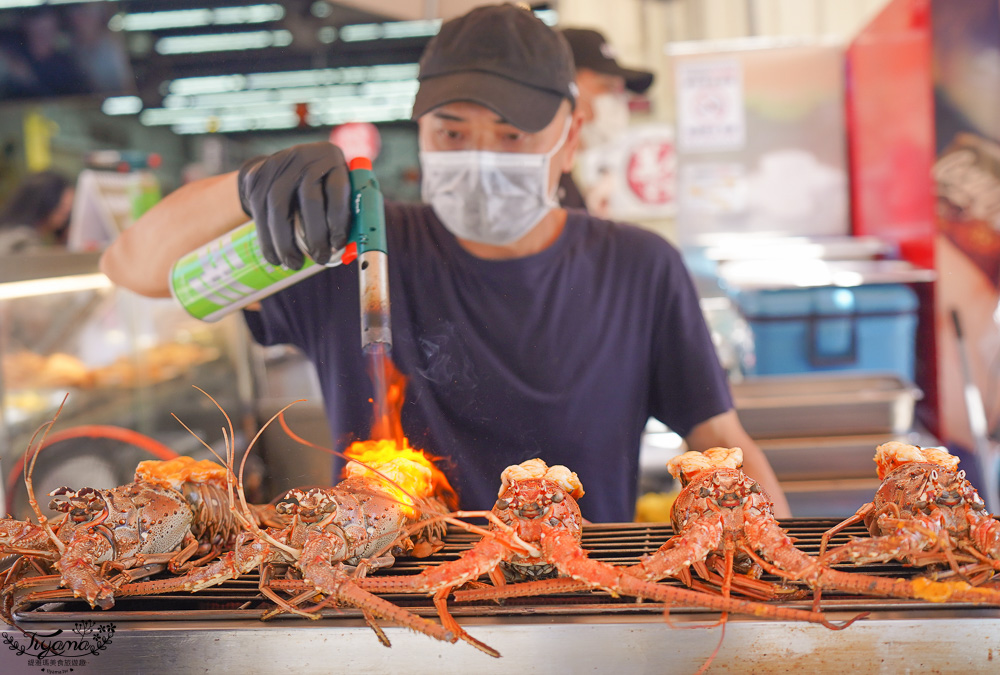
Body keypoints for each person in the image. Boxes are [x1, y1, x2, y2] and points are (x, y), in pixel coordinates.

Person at [100, 4, 790, 522]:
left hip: (582, 610)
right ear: (420, 130)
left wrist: (784, 577)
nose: (481, 155)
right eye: (453, 131)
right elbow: (133, 268)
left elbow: (720, 440)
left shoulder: (639, 268)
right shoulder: (354, 249)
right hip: (384, 609)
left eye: (512, 135)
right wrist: (247, 189)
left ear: (571, 138)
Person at [558, 27, 654, 215]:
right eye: (606, 86)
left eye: (620, 91)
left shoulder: (566, 178)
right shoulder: (536, 177)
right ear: (565, 86)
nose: (616, 102)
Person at [0, 170, 74, 254]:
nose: (68, 212)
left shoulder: (10, 231)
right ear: (46, 201)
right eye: (64, 206)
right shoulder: (22, 239)